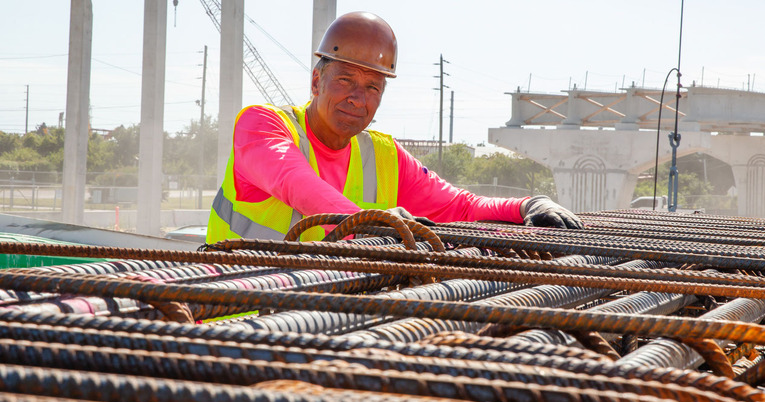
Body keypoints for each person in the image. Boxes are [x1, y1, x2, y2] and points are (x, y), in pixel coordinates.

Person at [206, 11, 582, 243]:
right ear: (316, 82)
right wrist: (370, 223)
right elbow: (295, 183)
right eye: (345, 80)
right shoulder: (262, 125)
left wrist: (527, 205)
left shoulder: (383, 155)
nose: (358, 97)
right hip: (231, 326)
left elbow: (458, 207)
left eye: (373, 86)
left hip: (318, 327)